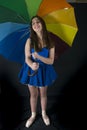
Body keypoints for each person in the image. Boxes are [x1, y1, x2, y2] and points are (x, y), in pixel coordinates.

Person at [18, 15, 57, 128]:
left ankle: (44, 113)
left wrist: (39, 57)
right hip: (32, 71)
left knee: (43, 94)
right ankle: (33, 115)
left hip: (44, 71)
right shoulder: (29, 40)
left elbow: (50, 61)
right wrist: (31, 64)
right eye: (33, 23)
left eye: (38, 22)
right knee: (33, 94)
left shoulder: (50, 42)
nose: (36, 25)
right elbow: (27, 58)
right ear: (32, 27)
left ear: (42, 24)